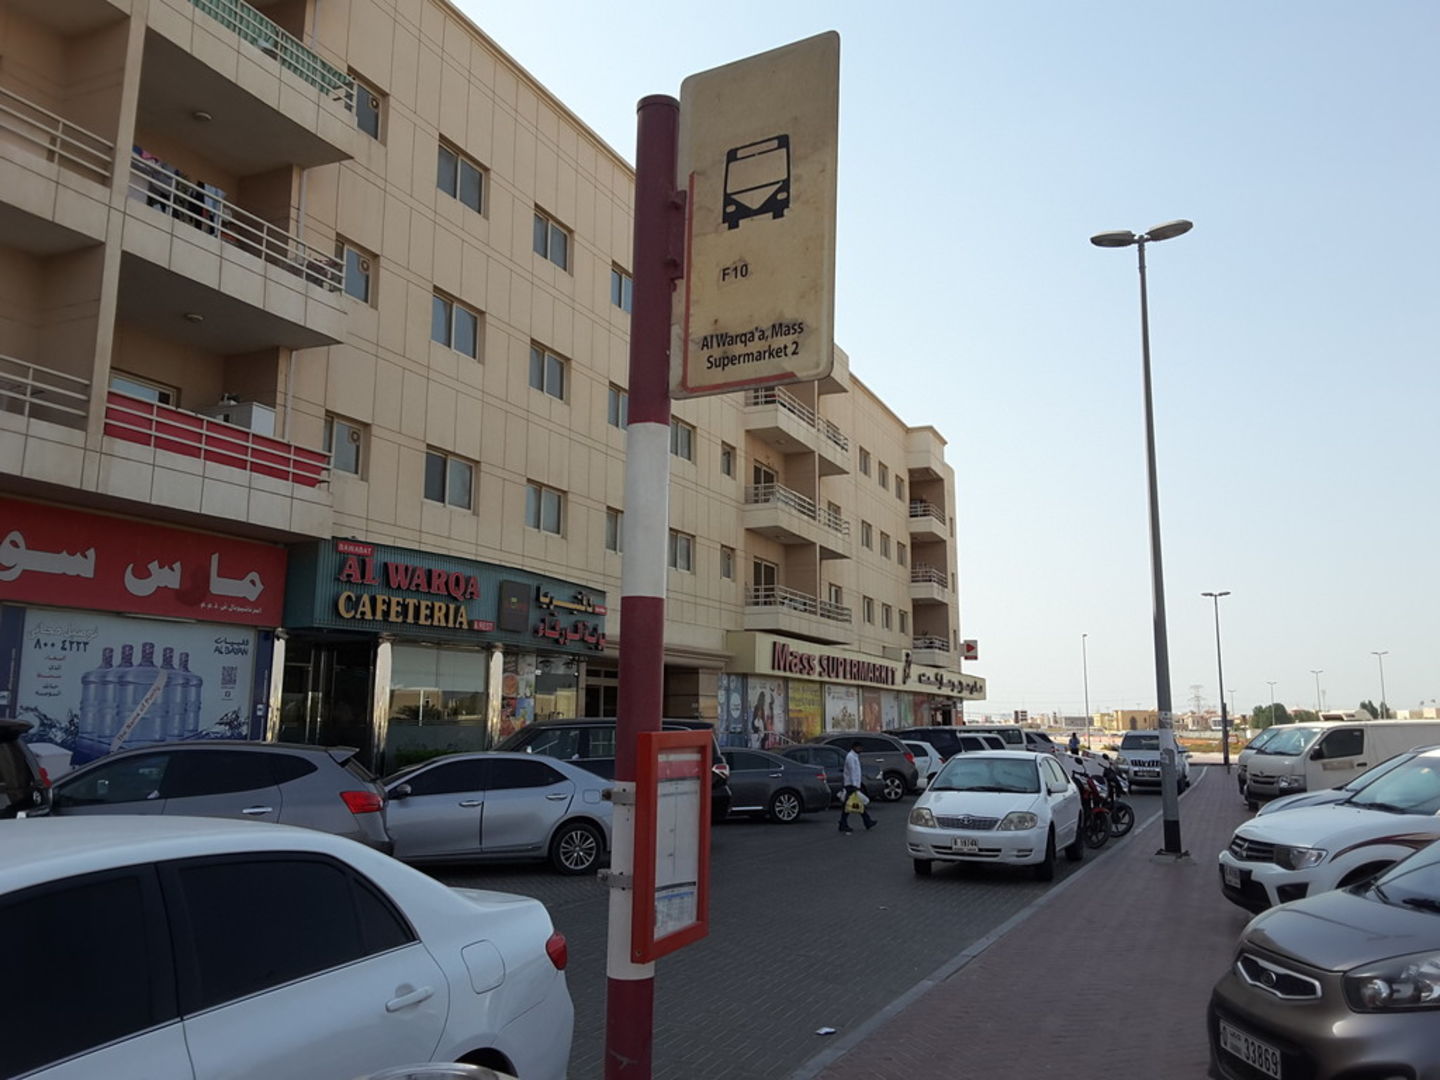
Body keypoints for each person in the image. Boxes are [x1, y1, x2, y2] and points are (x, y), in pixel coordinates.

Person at [838, 742, 876, 834]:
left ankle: (866, 821)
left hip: (852, 784)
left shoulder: (854, 756)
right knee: (851, 804)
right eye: (859, 748)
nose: (861, 750)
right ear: (855, 747)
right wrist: (855, 785)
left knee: (851, 804)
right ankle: (866, 821)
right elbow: (852, 772)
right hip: (851, 785)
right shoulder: (851, 757)